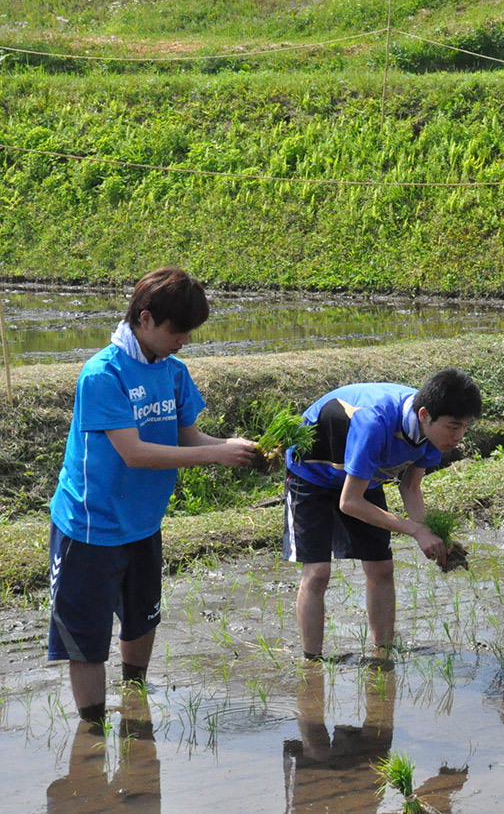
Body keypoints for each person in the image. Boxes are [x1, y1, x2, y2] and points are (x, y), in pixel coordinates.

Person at [47, 267, 258, 724]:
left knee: (143, 617)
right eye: (177, 330)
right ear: (145, 319)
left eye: (189, 332)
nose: (184, 340)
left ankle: (135, 703)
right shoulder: (102, 375)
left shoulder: (173, 372)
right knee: (86, 637)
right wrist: (216, 456)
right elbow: (134, 453)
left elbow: (188, 437)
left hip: (143, 521)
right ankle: (93, 730)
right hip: (91, 525)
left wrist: (231, 448)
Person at [284, 369, 482, 662]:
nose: (459, 437)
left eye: (465, 427)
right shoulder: (375, 422)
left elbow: (410, 486)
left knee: (381, 569)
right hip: (311, 473)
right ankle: (312, 663)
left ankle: (383, 655)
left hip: (364, 477)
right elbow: (350, 502)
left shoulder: (432, 436)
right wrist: (415, 530)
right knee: (318, 573)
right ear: (425, 414)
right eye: (453, 427)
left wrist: (431, 533)